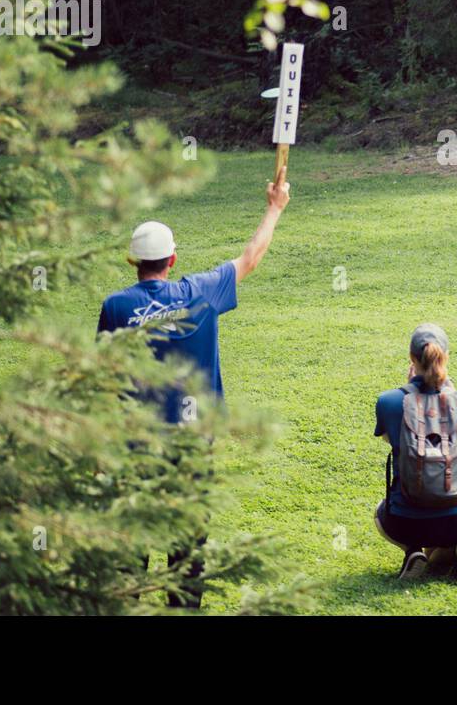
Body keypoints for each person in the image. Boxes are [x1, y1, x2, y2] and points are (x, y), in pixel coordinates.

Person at [97, 168, 291, 606]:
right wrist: (274, 208)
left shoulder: (115, 307)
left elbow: (103, 382)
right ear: (172, 260)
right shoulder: (201, 293)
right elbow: (251, 257)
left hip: (135, 446)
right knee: (187, 544)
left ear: (133, 261)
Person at [374, 324, 457, 582]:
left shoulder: (388, 401)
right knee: (447, 531)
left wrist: (407, 387)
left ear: (412, 359)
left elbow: (391, 441)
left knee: (380, 513)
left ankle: (413, 551)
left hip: (405, 520)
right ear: (446, 356)